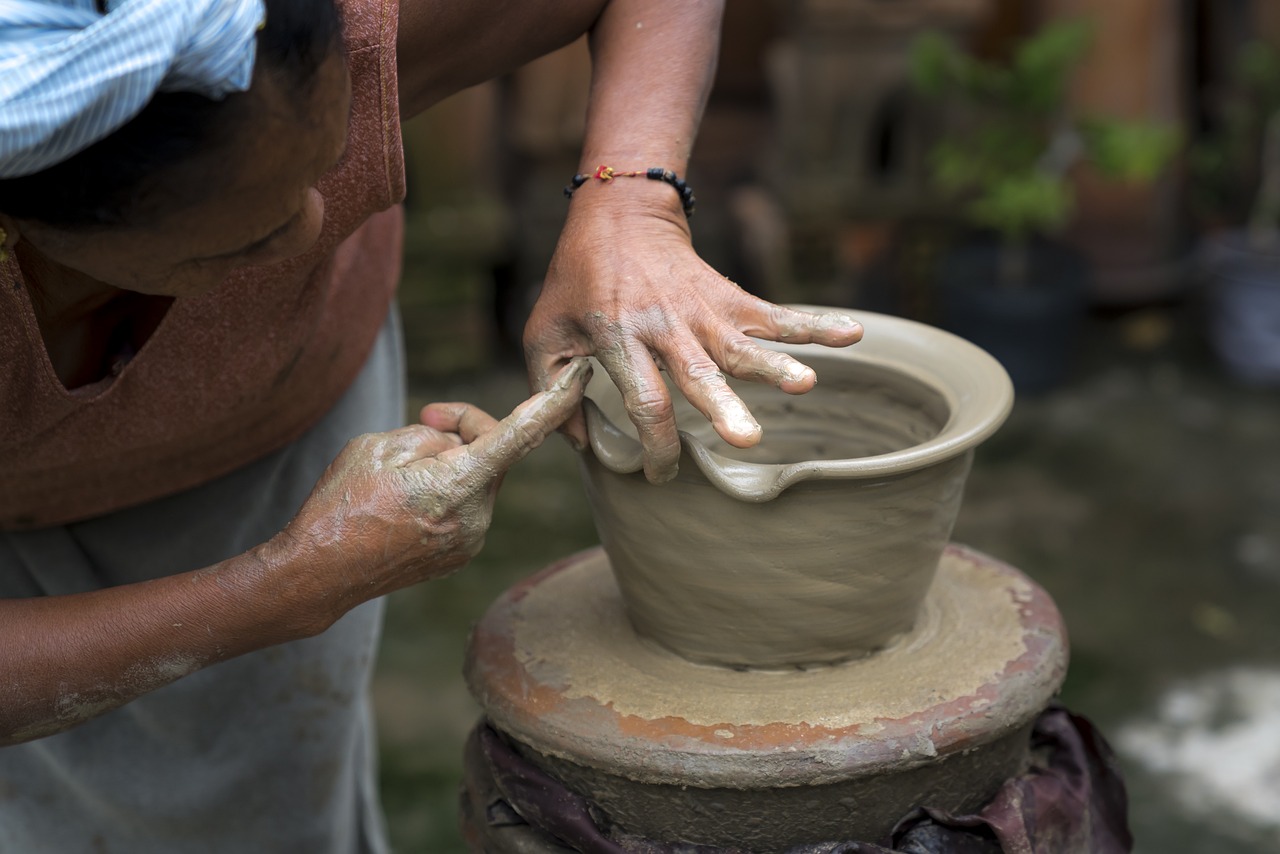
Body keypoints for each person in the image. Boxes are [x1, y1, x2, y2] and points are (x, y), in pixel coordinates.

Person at [0, 0, 863, 850]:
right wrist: (286, 586)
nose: (312, 224)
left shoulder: (305, 31)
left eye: (327, 163)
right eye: (239, 242)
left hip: (281, 397)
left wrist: (632, 205)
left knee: (280, 796)